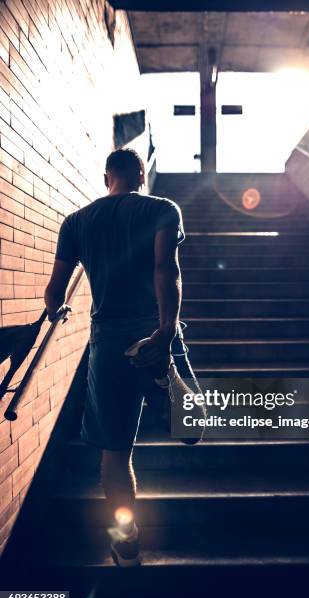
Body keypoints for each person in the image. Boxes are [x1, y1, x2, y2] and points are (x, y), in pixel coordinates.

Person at [44, 148, 195, 567]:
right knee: (193, 426)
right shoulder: (163, 208)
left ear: (105, 176)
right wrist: (165, 331)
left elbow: (55, 291)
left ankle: (126, 541)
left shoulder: (76, 222)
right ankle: (165, 381)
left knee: (114, 453)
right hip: (153, 330)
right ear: (141, 175)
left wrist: (58, 309)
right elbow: (167, 268)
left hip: (108, 343)